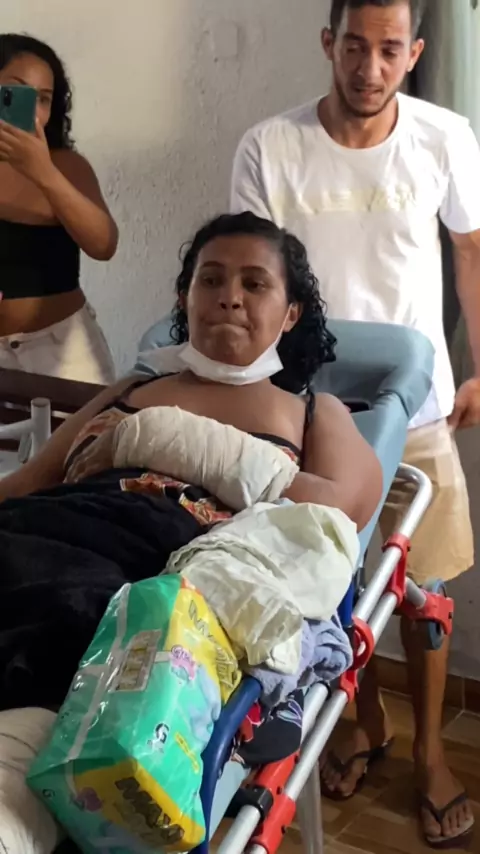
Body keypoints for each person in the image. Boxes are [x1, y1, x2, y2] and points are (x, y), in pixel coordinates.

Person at [230, 0, 480, 848]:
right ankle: (365, 722)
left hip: (417, 403)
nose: (369, 68)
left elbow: (471, 250)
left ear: (413, 54)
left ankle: (431, 753)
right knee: (331, 585)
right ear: (328, 44)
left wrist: (479, 365)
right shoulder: (269, 146)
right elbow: (253, 275)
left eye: (389, 50)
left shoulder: (445, 136)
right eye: (354, 47)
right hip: (306, 410)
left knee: (425, 591)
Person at [0, 210, 381, 710]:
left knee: (75, 622)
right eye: (212, 279)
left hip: (161, 573)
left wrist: (164, 438)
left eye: (254, 284)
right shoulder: (131, 389)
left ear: (291, 313)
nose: (230, 296)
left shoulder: (312, 413)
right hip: (48, 530)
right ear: (185, 297)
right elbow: (27, 483)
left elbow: (339, 511)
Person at [0, 34, 118, 383]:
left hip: (63, 352)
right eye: (16, 91)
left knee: (88, 423)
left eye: (44, 99)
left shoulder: (67, 165)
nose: (32, 109)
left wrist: (43, 172)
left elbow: (103, 245)